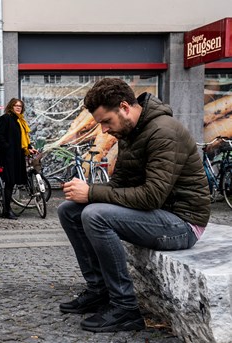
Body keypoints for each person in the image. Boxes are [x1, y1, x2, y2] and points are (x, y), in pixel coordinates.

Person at [58, 78, 210, 332]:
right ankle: (99, 290)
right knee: (69, 211)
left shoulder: (164, 131)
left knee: (95, 215)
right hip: (157, 215)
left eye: (106, 121)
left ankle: (125, 308)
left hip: (183, 223)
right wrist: (82, 191)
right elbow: (119, 185)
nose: (104, 130)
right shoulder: (129, 133)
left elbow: (152, 196)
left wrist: (92, 193)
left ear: (125, 107)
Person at [0, 98, 38, 220]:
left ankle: (7, 209)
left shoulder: (20, 120)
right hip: (8, 156)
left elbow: (23, 138)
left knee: (13, 182)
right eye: (16, 105)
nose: (18, 107)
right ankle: (6, 210)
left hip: (18, 155)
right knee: (9, 182)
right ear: (11, 106)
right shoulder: (6, 118)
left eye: (20, 106)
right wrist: (8, 148)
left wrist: (29, 148)